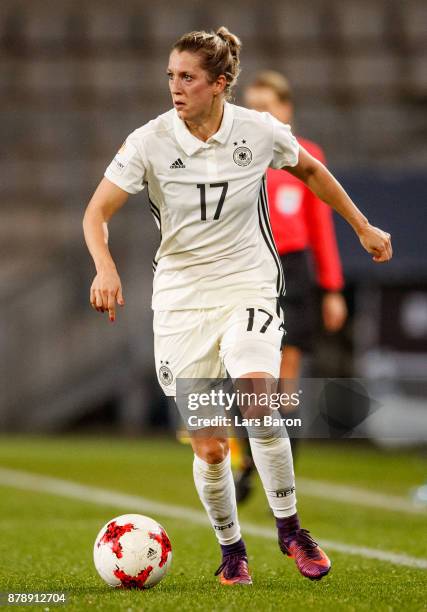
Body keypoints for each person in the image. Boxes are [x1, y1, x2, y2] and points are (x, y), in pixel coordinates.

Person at [83, 27, 392, 587]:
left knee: (258, 397)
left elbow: (312, 171)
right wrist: (105, 266)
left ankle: (292, 528)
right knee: (209, 444)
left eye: (188, 77)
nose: (175, 87)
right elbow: (96, 212)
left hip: (248, 286)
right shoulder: (149, 140)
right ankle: (233, 550)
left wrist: (362, 225)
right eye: (171, 76)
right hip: (180, 301)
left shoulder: (258, 130)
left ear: (220, 84)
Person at [232, 71, 348, 502]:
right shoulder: (237, 156)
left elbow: (321, 229)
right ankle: (247, 462)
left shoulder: (305, 157)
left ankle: (284, 474)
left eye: (267, 106)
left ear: (285, 110)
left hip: (294, 271)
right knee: (248, 374)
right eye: (252, 106)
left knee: (288, 376)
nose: (259, 114)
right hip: (248, 268)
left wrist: (332, 288)